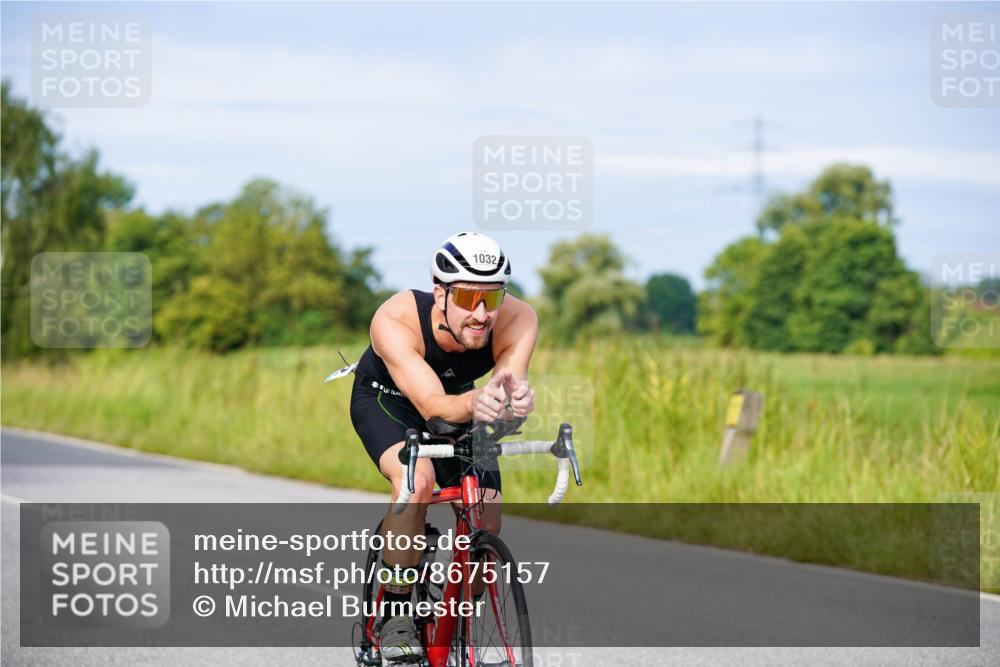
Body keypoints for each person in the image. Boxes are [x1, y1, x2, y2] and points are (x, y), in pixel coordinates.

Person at [349, 231, 538, 660]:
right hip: (390, 400)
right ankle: (395, 612)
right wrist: (478, 401)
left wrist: (514, 403)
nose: (481, 313)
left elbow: (505, 388)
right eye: (469, 298)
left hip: (462, 402)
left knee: (486, 512)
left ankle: (453, 619)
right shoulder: (394, 319)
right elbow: (433, 406)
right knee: (416, 482)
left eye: (493, 298)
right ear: (440, 293)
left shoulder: (519, 319)